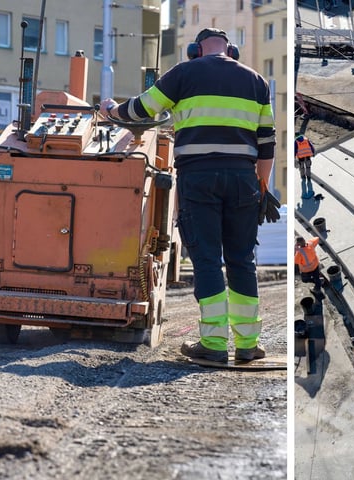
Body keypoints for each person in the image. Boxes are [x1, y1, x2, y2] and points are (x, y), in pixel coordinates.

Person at [101, 27, 275, 363]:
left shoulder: (184, 72)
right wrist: (262, 189)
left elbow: (141, 110)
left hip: (199, 177)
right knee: (242, 261)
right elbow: (267, 142)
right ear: (232, 51)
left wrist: (111, 111)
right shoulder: (257, 81)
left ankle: (212, 346)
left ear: (195, 50)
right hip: (244, 179)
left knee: (208, 259)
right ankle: (248, 345)